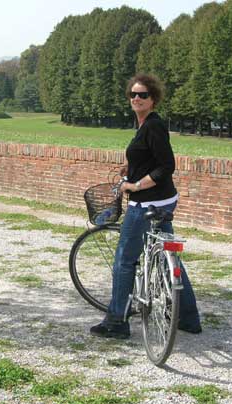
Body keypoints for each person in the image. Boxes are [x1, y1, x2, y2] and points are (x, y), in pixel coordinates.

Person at [90, 73, 201, 339]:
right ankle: (188, 318)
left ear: (153, 99)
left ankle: (117, 321)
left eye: (143, 95)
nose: (137, 99)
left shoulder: (153, 126)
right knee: (167, 256)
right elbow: (151, 157)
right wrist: (132, 167)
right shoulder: (144, 124)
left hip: (147, 202)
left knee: (124, 260)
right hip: (164, 200)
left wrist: (135, 186)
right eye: (133, 95)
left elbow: (166, 166)